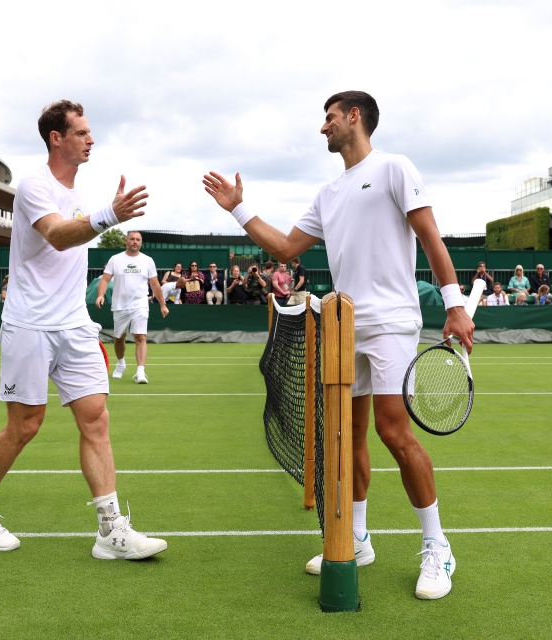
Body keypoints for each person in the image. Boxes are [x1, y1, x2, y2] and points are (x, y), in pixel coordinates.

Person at [203, 90, 474, 600]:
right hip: (344, 325)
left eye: (329, 117)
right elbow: (285, 247)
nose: (322, 126)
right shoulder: (328, 193)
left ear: (355, 117)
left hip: (392, 322)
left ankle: (438, 546)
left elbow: (431, 237)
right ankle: (357, 536)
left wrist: (455, 304)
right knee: (347, 437)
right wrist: (239, 209)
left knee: (394, 432)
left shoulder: (395, 167)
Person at [0, 99, 165, 560]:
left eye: (90, 133)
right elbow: (56, 233)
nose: (91, 139)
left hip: (74, 325)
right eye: (82, 133)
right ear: (57, 138)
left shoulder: (81, 194)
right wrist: (110, 216)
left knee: (96, 419)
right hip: (29, 324)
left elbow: (75, 231)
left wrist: (103, 214)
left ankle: (111, 531)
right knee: (25, 426)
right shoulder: (34, 185)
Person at [97, 230, 169, 384]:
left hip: (140, 303)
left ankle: (140, 372)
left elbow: (155, 284)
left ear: (141, 242)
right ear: (126, 241)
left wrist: (163, 305)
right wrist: (101, 295)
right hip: (120, 305)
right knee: (119, 338)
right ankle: (121, 363)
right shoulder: (115, 259)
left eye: (138, 239)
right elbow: (104, 280)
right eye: (132, 239)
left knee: (140, 336)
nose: (135, 242)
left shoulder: (148, 260)